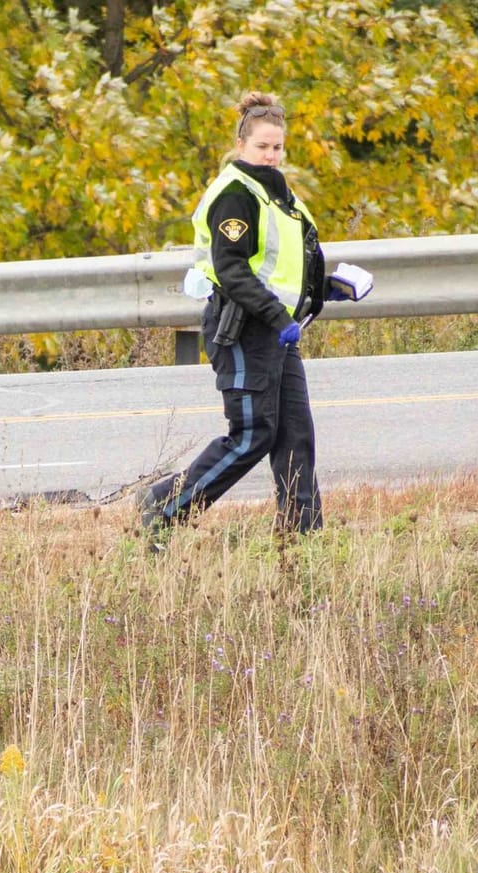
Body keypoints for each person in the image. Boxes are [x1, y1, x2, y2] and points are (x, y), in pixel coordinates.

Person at [141, 91, 336, 545]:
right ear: (241, 144)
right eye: (262, 146)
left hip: (278, 331)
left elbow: (280, 265)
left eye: (277, 147)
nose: (271, 155)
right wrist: (277, 317)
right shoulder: (235, 194)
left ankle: (302, 537)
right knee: (253, 434)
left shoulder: (278, 193)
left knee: (295, 434)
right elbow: (232, 271)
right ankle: (163, 506)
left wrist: (325, 288)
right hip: (243, 329)